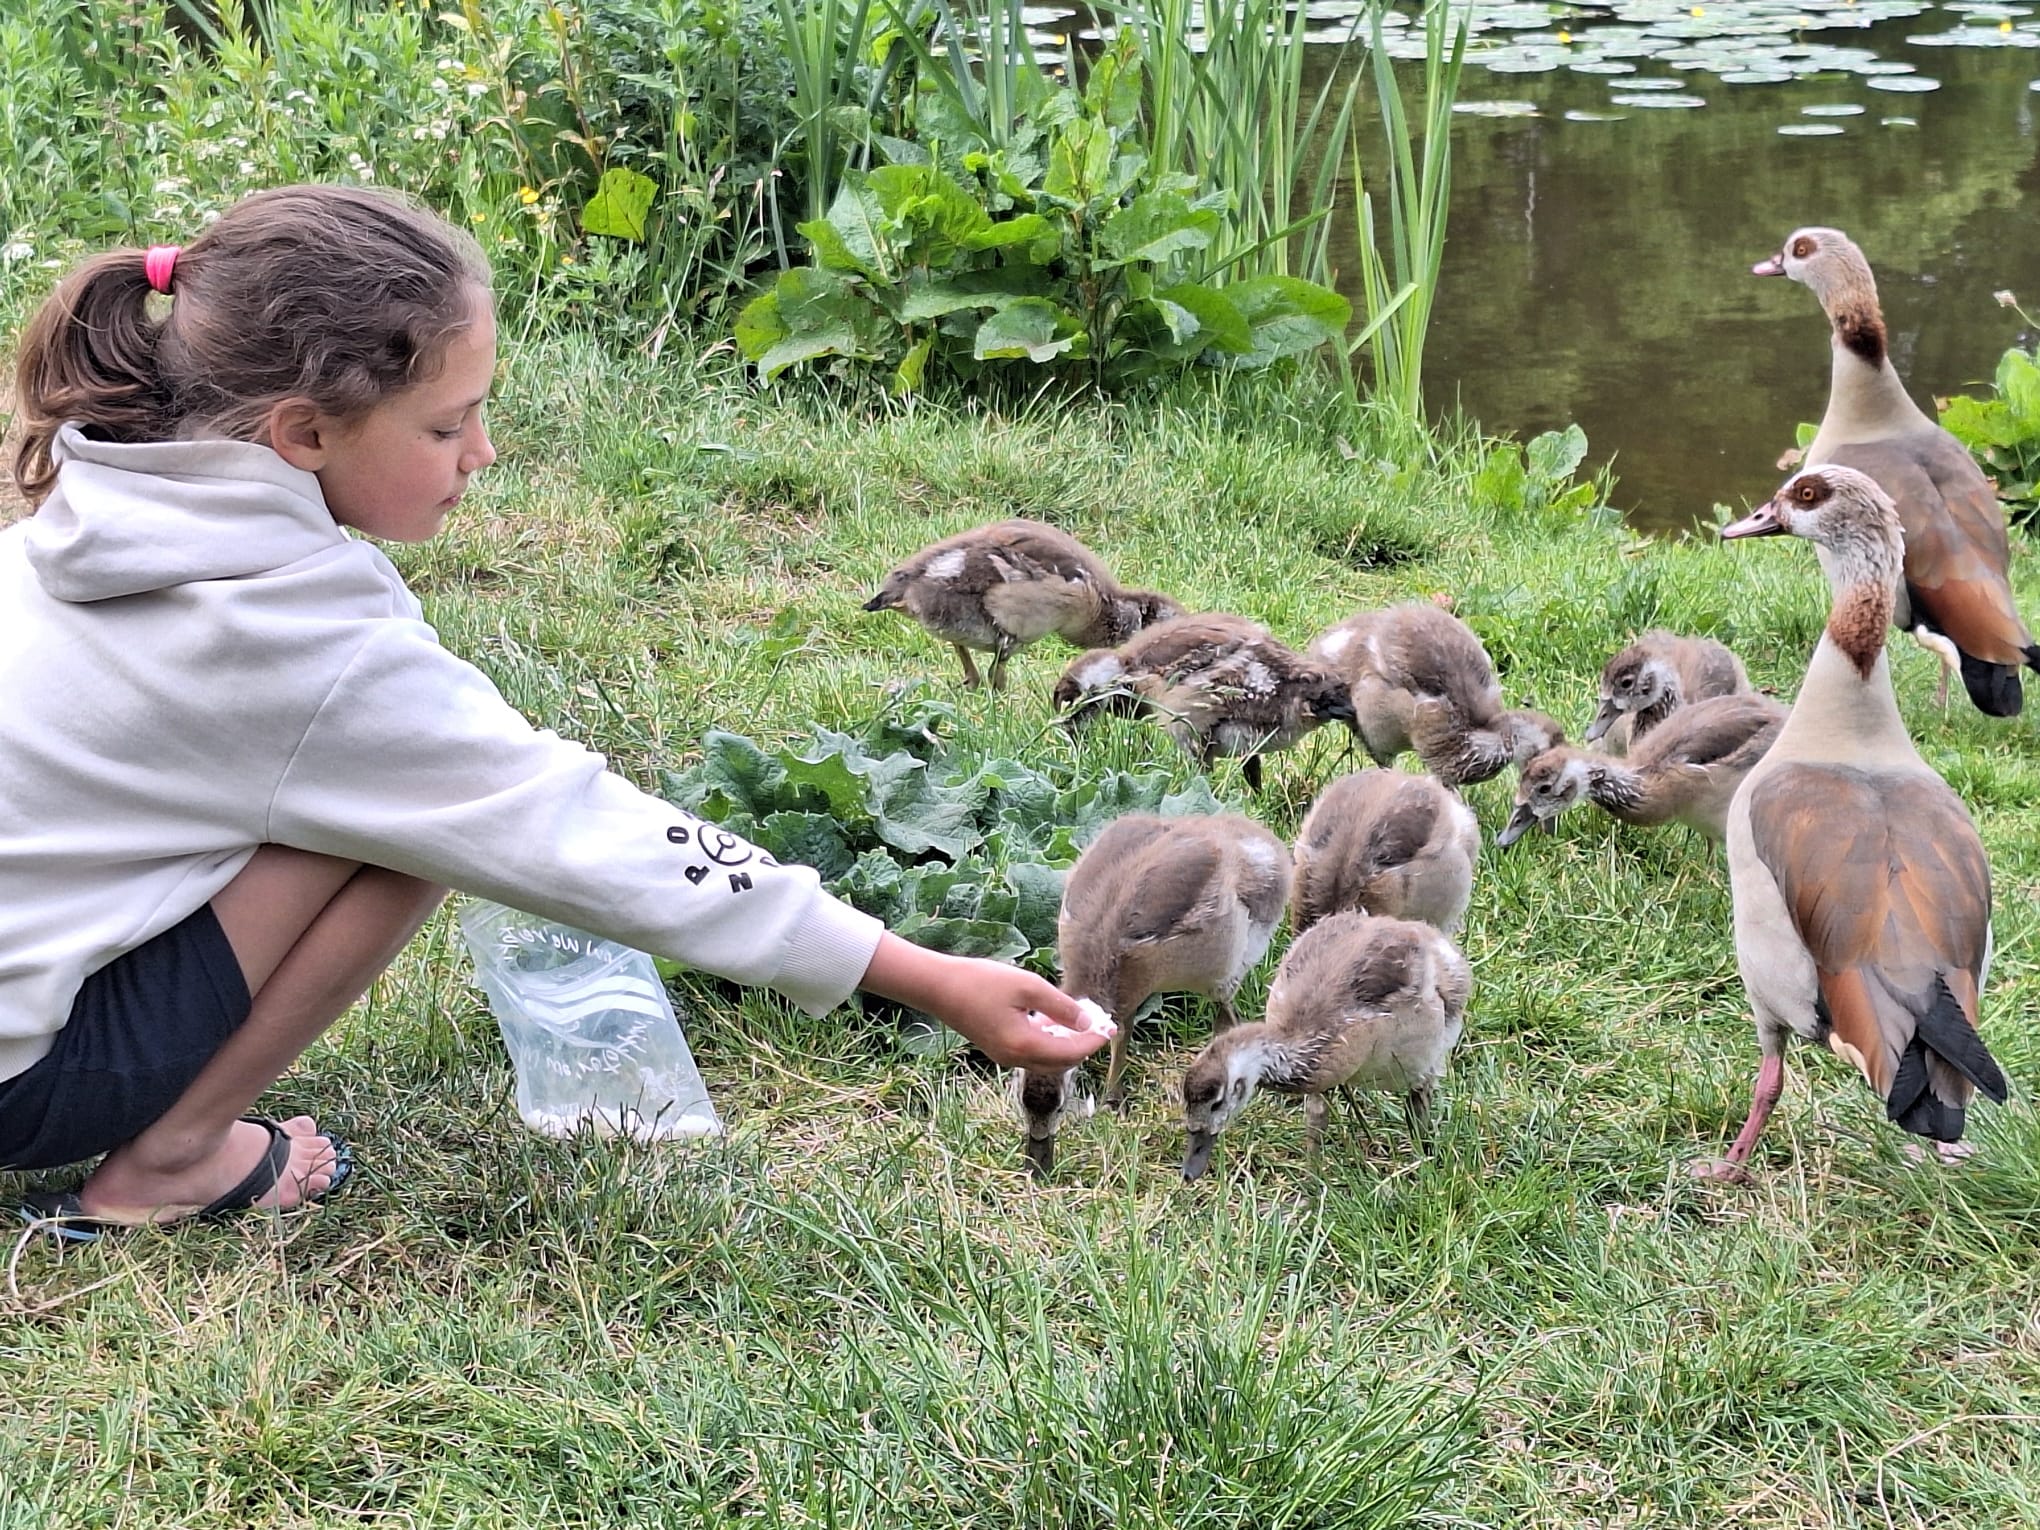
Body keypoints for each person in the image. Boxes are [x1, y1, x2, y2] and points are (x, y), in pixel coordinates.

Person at [0, 184, 1113, 1236]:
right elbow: (562, 824)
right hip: (25, 1083)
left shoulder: (93, 513)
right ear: (303, 435)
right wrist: (929, 975)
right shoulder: (294, 640)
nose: (482, 454)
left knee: (397, 799)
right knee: (421, 830)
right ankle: (176, 1156)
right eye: (448, 426)